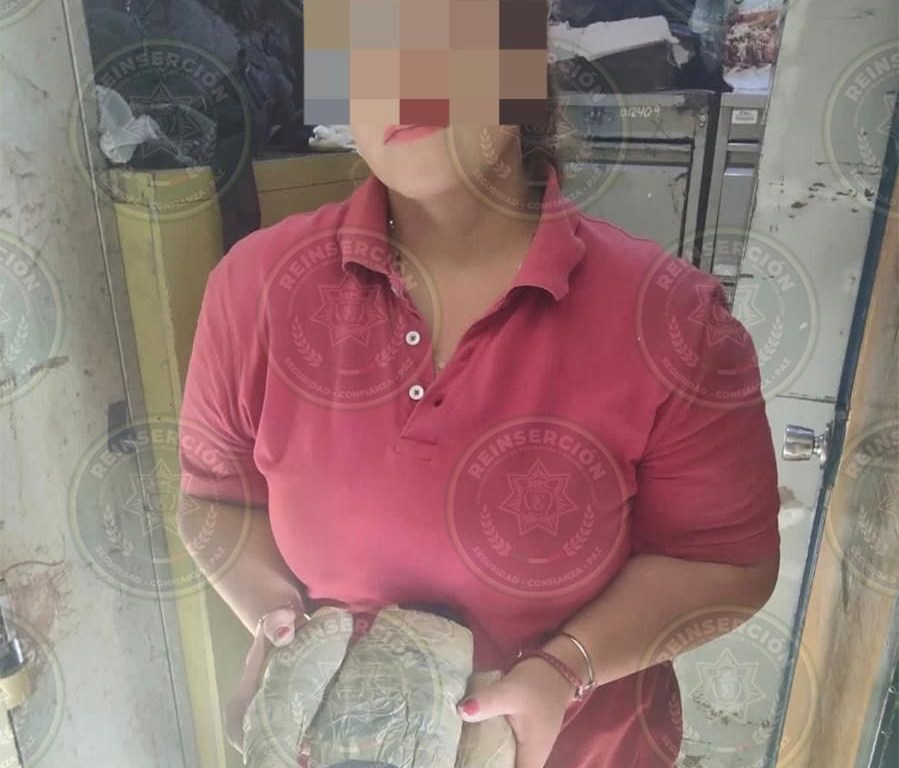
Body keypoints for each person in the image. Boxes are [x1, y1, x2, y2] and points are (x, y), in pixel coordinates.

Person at [177, 95, 781, 767]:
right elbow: (213, 500)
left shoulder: (673, 321)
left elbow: (728, 566)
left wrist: (565, 667)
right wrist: (278, 629)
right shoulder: (256, 287)